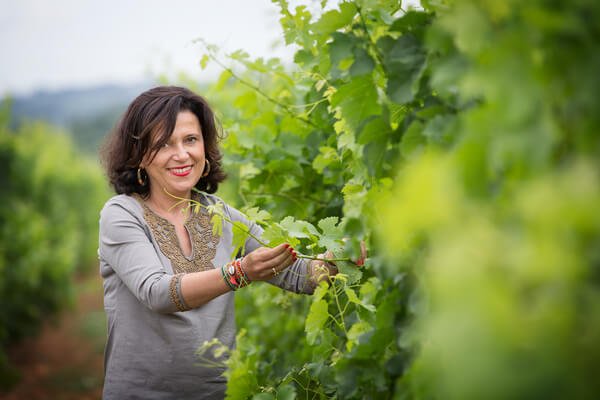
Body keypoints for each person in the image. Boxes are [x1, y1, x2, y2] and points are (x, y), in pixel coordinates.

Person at [98, 86, 341, 399]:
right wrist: (240, 273)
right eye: (164, 144)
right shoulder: (121, 214)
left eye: (191, 140)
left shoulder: (220, 215)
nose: (182, 154)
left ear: (205, 146)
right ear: (140, 154)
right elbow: (157, 292)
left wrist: (342, 254)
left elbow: (299, 275)